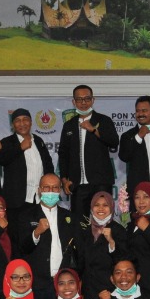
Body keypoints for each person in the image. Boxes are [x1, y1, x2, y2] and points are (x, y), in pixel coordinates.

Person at [58, 84, 119, 216]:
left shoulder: (104, 120)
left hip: (101, 182)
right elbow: (63, 155)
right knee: (79, 223)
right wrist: (64, 179)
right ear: (74, 102)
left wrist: (94, 130)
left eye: (87, 98)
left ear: (93, 100)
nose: (83, 103)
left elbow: (114, 142)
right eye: (79, 99)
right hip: (77, 184)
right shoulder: (69, 125)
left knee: (103, 221)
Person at [14, 173, 74, 299]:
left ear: (60, 190)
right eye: (46, 187)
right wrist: (36, 233)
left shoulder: (69, 216)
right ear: (39, 190)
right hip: (37, 284)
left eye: (55, 187)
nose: (50, 191)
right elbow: (22, 248)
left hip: (63, 284)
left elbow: (76, 250)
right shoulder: (26, 215)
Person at [71, 190, 127, 299]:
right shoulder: (85, 231)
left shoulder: (119, 231)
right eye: (97, 205)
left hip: (109, 291)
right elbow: (80, 262)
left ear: (111, 207)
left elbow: (123, 261)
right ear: (91, 208)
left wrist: (111, 242)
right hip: (87, 292)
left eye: (105, 205)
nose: (101, 208)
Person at [0, 108, 53, 209]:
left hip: (39, 197)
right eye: (17, 120)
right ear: (12, 125)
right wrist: (20, 148)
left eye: (25, 119)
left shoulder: (38, 140)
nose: (22, 123)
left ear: (31, 122)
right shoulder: (6, 142)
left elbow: (48, 165)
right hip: (17, 199)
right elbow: (2, 160)